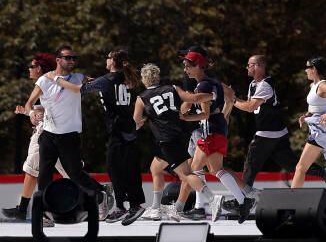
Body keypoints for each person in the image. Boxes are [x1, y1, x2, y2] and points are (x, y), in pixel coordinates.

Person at [22, 45, 111, 220]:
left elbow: (97, 83)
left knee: (75, 174)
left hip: (69, 136)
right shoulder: (44, 80)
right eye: (68, 58)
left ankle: (101, 194)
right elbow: (29, 103)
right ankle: (44, 213)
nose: (72, 61)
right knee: (44, 175)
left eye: (73, 58)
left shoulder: (78, 78)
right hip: (48, 135)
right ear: (58, 60)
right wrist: (31, 113)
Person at [57, 48, 143, 223]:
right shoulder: (125, 78)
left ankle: (126, 206)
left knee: (114, 168)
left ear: (112, 62)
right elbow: (105, 85)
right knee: (127, 169)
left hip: (118, 131)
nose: (106, 59)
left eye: (108, 57)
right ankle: (129, 204)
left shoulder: (107, 80)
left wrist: (57, 79)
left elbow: (77, 89)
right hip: (129, 129)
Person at [132, 63, 220, 222]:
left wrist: (143, 121)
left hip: (166, 140)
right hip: (180, 135)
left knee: (186, 174)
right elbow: (194, 99)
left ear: (144, 80)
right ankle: (156, 208)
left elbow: (136, 122)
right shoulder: (173, 88)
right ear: (158, 77)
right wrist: (212, 96)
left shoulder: (142, 98)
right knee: (155, 168)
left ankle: (213, 199)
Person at [174, 51, 251, 222]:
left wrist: (185, 117)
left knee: (193, 168)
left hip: (210, 130)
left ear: (198, 66)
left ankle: (207, 204)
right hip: (219, 128)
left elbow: (205, 114)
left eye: (188, 67)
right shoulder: (214, 82)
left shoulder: (203, 86)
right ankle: (243, 200)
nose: (185, 70)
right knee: (216, 170)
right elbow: (228, 98)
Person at [3, 53, 66, 225]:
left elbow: (51, 111)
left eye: (31, 67)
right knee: (70, 172)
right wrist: (26, 111)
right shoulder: (47, 84)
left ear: (38, 68)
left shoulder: (47, 83)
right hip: (49, 132)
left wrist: (30, 112)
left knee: (32, 169)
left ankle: (25, 210)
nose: (28, 70)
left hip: (46, 133)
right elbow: (42, 110)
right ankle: (99, 194)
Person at [234, 54, 299, 191]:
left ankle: (243, 199)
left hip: (268, 132)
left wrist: (232, 100)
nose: (246, 67)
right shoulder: (253, 84)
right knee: (291, 165)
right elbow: (249, 106)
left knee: (250, 164)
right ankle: (323, 173)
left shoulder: (265, 85)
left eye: (249, 65)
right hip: (275, 132)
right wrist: (232, 98)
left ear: (258, 66)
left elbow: (250, 107)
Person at [290, 56, 326, 191]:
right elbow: (317, 107)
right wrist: (306, 116)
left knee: (300, 168)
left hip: (320, 132)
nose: (305, 71)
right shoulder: (313, 86)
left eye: (307, 67)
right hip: (323, 131)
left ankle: (291, 205)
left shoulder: (323, 85)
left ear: (314, 68)